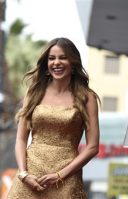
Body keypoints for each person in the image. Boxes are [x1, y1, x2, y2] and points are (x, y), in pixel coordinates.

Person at [7, 37, 100, 198]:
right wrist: (23, 174)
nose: (56, 62)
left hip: (67, 178)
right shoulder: (34, 92)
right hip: (30, 177)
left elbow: (92, 147)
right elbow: (21, 140)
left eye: (63, 57)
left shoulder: (87, 98)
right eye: (52, 58)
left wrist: (60, 175)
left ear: (73, 62)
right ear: (46, 64)